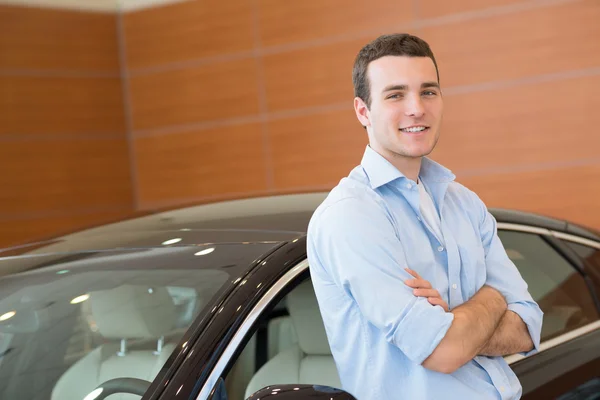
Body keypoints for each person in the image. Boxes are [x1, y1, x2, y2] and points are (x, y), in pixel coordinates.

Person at [306, 33, 543, 400]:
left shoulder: (464, 202)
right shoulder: (350, 216)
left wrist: (457, 321)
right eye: (395, 94)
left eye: (428, 91)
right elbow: (443, 351)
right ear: (363, 111)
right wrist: (494, 299)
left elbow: (527, 326)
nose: (416, 108)